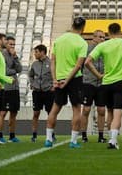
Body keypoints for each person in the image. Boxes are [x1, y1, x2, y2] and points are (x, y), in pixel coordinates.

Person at [85, 22, 122, 150]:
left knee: (109, 112)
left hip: (106, 83)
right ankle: (112, 140)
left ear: (109, 33)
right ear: (120, 32)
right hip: (121, 82)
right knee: (117, 114)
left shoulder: (104, 45)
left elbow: (87, 62)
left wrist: (99, 75)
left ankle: (112, 138)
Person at [45, 17, 88, 149]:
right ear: (83, 27)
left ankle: (48, 140)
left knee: (55, 109)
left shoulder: (58, 40)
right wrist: (67, 80)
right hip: (74, 79)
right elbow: (78, 66)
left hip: (59, 78)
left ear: (72, 25)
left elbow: (53, 62)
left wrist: (55, 80)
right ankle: (73, 141)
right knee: (76, 109)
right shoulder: (82, 43)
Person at [80, 30, 106, 143]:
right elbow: (81, 64)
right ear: (94, 37)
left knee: (101, 110)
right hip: (88, 82)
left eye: (104, 37)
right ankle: (84, 135)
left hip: (101, 83)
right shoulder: (86, 49)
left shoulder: (105, 50)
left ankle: (101, 136)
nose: (102, 39)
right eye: (101, 37)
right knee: (86, 109)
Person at [0, 35, 22, 143]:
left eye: (13, 44)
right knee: (3, 112)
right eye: (10, 44)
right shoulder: (2, 55)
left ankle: (12, 135)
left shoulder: (14, 55)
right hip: (6, 87)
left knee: (14, 112)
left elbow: (20, 69)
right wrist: (14, 71)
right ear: (6, 44)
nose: (12, 46)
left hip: (15, 87)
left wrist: (15, 58)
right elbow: (5, 71)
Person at [29, 44, 55, 142]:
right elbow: (30, 75)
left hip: (48, 92)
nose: (35, 54)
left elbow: (55, 75)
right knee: (36, 113)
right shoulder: (34, 64)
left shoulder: (51, 63)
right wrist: (32, 83)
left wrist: (53, 86)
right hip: (37, 92)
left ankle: (51, 133)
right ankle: (34, 134)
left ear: (42, 52)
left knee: (50, 113)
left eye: (36, 52)